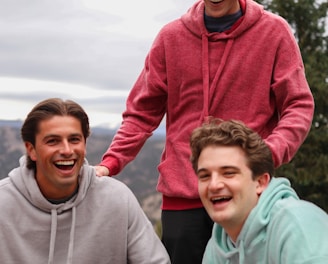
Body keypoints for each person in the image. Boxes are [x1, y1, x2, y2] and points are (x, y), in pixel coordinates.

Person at [95, 0, 314, 263]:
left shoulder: (274, 32)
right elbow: (142, 113)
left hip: (245, 193)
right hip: (182, 199)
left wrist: (268, 153)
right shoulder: (170, 37)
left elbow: (298, 105)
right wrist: (110, 163)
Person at [0, 98, 171, 264]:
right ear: (32, 150)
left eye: (74, 139)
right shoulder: (4, 203)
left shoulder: (118, 199)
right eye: (53, 141)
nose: (67, 150)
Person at [189, 118, 328, 264]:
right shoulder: (218, 246)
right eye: (204, 176)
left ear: (261, 182)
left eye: (229, 173)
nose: (213, 185)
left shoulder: (298, 227)